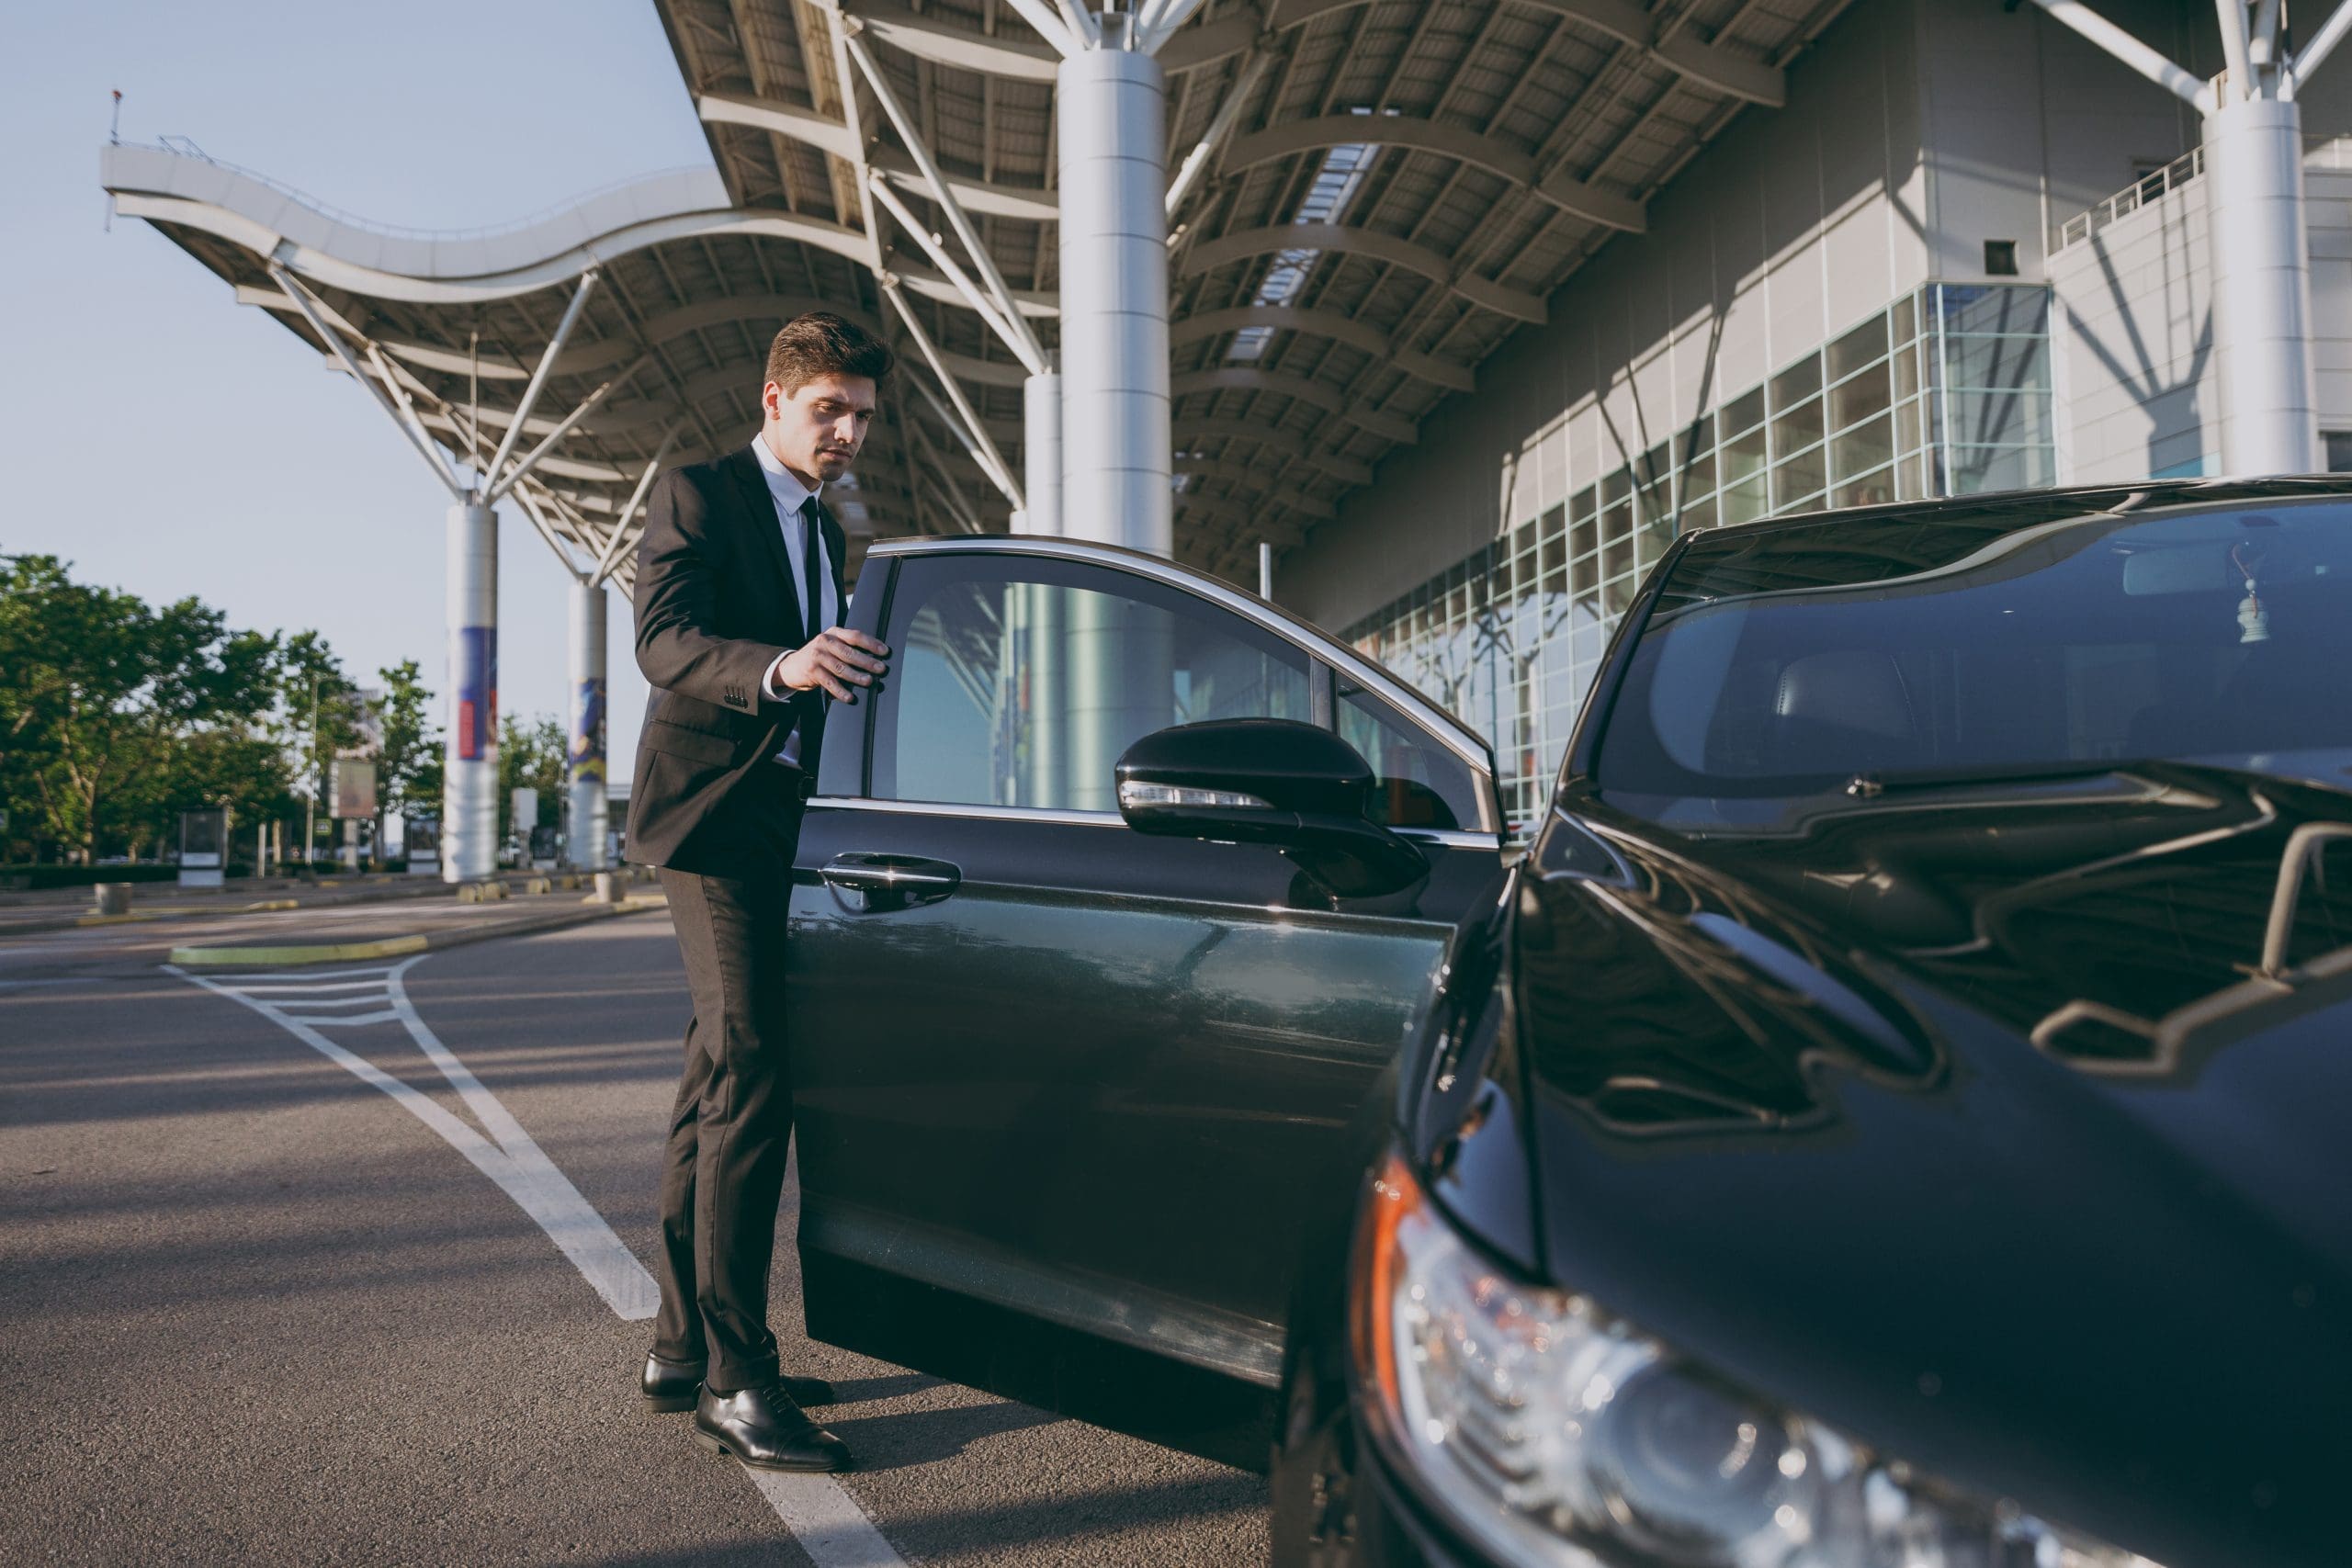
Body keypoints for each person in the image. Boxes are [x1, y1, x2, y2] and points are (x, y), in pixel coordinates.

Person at [624, 312, 893, 1473]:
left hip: (786, 825)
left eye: (863, 417)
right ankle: (739, 1380)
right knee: (754, 1074)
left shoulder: (830, 531)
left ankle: (685, 1349)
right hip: (710, 821)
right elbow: (666, 640)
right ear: (776, 399)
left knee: (712, 1082)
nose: (847, 434)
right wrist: (780, 667)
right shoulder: (699, 492)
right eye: (830, 408)